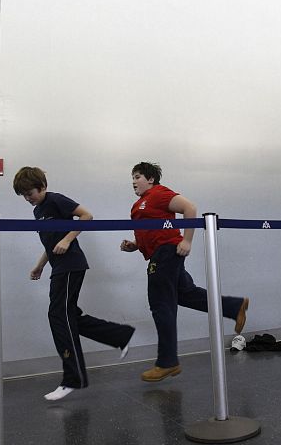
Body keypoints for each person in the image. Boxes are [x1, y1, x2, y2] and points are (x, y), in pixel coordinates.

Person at [13, 167, 135, 401]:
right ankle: (120, 335)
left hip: (71, 264)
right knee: (69, 316)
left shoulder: (56, 199)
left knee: (58, 315)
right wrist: (40, 265)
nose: (28, 198)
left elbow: (87, 216)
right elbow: (51, 243)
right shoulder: (38, 210)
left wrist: (69, 240)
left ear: (43, 186)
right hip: (60, 267)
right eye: (24, 195)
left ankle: (73, 378)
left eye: (30, 193)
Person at [120, 162, 249, 382]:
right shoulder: (138, 204)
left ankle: (167, 362)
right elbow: (150, 231)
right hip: (160, 253)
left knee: (161, 304)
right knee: (185, 294)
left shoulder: (159, 194)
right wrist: (135, 245)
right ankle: (233, 306)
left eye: (138, 176)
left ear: (150, 179)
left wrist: (187, 241)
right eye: (132, 177)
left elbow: (189, 208)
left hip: (167, 253)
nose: (133, 181)